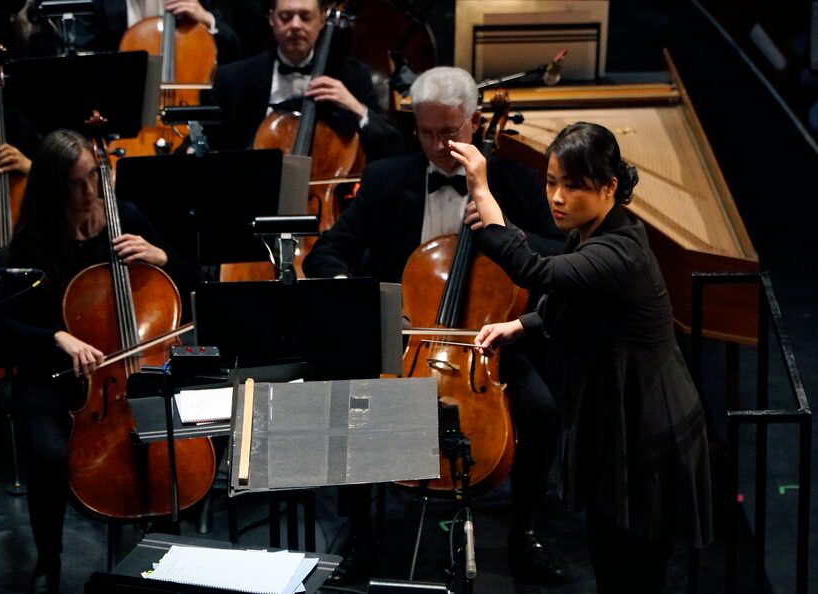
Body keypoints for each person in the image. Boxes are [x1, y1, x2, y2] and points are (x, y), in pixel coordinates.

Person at [302, 66, 568, 584]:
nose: (437, 145)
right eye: (425, 132)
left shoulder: (512, 182)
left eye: (449, 132)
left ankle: (525, 531)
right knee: (354, 400)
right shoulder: (386, 177)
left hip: (490, 341)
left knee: (541, 410)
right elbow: (332, 249)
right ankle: (357, 532)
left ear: (474, 122)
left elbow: (562, 253)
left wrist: (507, 230)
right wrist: (348, 286)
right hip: (409, 339)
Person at [450, 121, 713, 592]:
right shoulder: (595, 232)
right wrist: (521, 325)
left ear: (610, 187)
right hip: (617, 415)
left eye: (572, 186)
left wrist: (483, 194)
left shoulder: (620, 249)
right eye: (551, 182)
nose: (556, 197)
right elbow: (574, 298)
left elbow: (536, 270)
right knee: (610, 559)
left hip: (646, 427)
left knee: (634, 572)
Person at [0, 128, 196, 594]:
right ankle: (49, 559)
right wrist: (56, 336)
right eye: (76, 184)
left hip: (126, 371)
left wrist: (163, 258)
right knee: (46, 455)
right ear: (53, 188)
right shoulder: (35, 241)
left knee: (183, 436)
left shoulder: (128, 219)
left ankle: (165, 552)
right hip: (53, 376)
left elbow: (190, 284)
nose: (89, 192)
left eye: (93, 179)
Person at [205, 0, 403, 159]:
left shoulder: (351, 75)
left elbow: (393, 148)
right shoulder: (234, 79)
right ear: (271, 19)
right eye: (286, 17)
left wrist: (357, 108)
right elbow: (209, 144)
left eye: (305, 17)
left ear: (322, 20)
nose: (296, 25)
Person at [26, 0, 245, 62]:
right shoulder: (101, 4)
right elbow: (86, 55)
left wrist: (207, 20)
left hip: (190, 108)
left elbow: (236, 52)